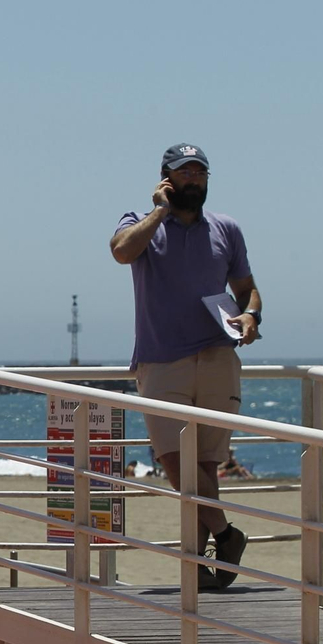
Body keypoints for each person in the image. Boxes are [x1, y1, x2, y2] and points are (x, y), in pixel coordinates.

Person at [110, 143, 261, 589]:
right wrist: (158, 213)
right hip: (161, 359)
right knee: (176, 463)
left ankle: (198, 568)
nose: (193, 180)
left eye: (200, 173)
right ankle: (226, 535)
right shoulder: (138, 222)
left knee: (206, 469)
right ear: (165, 178)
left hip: (218, 355)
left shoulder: (226, 229)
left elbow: (248, 287)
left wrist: (251, 315)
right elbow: (121, 252)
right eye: (184, 173)